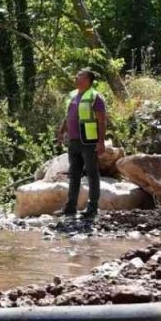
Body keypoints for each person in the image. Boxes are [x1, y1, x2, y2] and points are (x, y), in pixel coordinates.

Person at [56, 68, 107, 220]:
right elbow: (68, 116)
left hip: (89, 141)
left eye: (80, 76)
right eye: (77, 76)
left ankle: (92, 208)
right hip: (73, 141)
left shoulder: (95, 97)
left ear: (88, 80)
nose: (76, 78)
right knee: (74, 174)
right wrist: (61, 131)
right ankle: (70, 207)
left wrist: (101, 142)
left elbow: (102, 120)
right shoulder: (72, 95)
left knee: (92, 174)